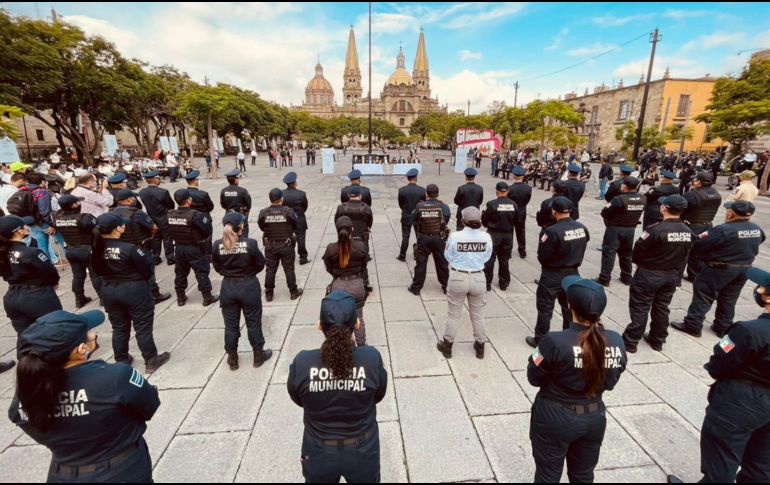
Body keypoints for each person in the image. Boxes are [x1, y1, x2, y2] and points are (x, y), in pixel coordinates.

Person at [9, 309, 161, 483]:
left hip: (62, 473)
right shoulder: (116, 377)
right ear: (81, 349)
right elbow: (149, 404)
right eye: (89, 331)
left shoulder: (29, 391)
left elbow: (22, 418)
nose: (93, 333)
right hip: (122, 471)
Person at [668, 267, 770, 484]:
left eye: (762, 287)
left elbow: (719, 364)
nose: (758, 289)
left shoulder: (749, 331)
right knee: (761, 466)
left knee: (721, 462)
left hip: (741, 402)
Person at [528, 276, 627, 483]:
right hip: (593, 416)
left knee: (548, 475)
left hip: (554, 416)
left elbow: (534, 377)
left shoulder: (555, 341)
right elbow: (612, 381)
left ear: (569, 305)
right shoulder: (616, 340)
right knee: (583, 475)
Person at [287, 291, 388, 483]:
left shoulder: (302, 362)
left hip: (317, 450)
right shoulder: (371, 358)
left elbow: (297, 397)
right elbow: (379, 394)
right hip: (363, 448)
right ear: (356, 324)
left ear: (320, 325)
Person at [672, 201, 766, 338]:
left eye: (728, 210)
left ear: (731, 213)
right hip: (744, 269)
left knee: (704, 295)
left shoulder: (722, 230)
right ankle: (723, 326)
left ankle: (693, 325)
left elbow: (699, 243)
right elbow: (760, 240)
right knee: (729, 298)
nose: (727, 212)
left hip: (718, 268)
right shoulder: (756, 229)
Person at [91, 212, 171, 371]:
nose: (124, 226)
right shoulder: (130, 249)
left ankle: (121, 359)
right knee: (142, 326)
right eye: (122, 225)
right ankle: (151, 359)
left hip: (109, 290)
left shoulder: (95, 248)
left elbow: (97, 271)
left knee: (119, 327)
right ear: (117, 229)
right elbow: (147, 270)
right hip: (133, 290)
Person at [623, 196, 693, 353]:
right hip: (671, 275)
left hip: (649, 274)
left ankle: (630, 341)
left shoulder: (654, 229)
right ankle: (658, 340)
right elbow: (686, 254)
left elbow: (638, 252)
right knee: (662, 307)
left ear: (664, 208)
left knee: (640, 307)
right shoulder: (688, 231)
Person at [212, 212, 272, 370]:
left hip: (228, 287)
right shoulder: (250, 243)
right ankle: (258, 356)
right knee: (253, 323)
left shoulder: (217, 244)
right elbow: (260, 263)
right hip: (248, 286)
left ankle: (232, 359)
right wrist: (248, 272)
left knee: (230, 326)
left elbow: (217, 266)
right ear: (241, 227)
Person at [527, 197, 589, 348]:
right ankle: (569, 337)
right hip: (573, 273)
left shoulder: (551, 231)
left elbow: (543, 257)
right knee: (569, 308)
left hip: (552, 274)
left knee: (545, 308)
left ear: (554, 211)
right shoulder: (582, 228)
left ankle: (540, 339)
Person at [437, 207, 493, 359]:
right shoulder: (486, 237)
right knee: (478, 315)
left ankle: (447, 345)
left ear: (463, 221)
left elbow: (448, 255)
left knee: (453, 314)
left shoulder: (455, 236)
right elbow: (487, 256)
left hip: (458, 276)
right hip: (478, 277)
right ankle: (480, 346)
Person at [0, 215, 62, 348]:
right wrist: (52, 285)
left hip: (12, 296)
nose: (27, 228)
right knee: (54, 331)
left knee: (25, 337)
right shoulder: (31, 252)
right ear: (19, 231)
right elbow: (50, 273)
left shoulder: (3, 252)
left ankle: (26, 365)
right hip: (37, 296)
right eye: (23, 226)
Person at [112, 190, 172, 305]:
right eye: (133, 198)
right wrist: (149, 235)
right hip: (140, 248)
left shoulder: (112, 213)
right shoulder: (137, 213)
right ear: (128, 199)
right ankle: (154, 295)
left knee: (131, 273)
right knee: (148, 272)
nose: (135, 200)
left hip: (123, 249)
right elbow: (153, 227)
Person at [323, 217, 370, 346]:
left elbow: (328, 266)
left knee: (339, 320)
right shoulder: (360, 246)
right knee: (358, 317)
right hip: (357, 286)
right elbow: (364, 265)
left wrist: (337, 274)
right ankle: (362, 346)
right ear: (352, 230)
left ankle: (345, 345)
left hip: (339, 287)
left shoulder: (331, 248)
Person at [168, 189, 218, 307]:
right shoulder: (196, 215)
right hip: (194, 248)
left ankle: (180, 297)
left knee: (180, 273)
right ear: (189, 200)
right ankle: (207, 297)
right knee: (201, 271)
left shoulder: (170, 214)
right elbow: (207, 230)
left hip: (179, 247)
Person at [54, 194, 102, 309]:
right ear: (73, 205)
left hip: (70, 250)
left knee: (78, 276)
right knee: (95, 274)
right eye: (77, 202)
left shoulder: (58, 217)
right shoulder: (84, 217)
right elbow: (98, 227)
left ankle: (79, 300)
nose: (79, 204)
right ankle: (103, 299)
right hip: (87, 249)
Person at [596, 177, 646, 287]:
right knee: (626, 254)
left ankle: (605, 278)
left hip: (615, 229)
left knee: (609, 253)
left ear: (625, 186)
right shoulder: (643, 198)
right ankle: (627, 277)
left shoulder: (619, 199)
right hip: (630, 229)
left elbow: (605, 213)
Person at [258, 188, 303, 302]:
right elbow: (296, 225)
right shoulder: (288, 211)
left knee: (270, 269)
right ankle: (293, 292)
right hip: (286, 245)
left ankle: (269, 294)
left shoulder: (264, 212)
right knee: (289, 268)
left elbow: (262, 226)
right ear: (281, 199)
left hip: (270, 245)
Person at [408, 184, 450, 296]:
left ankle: (416, 288)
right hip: (439, 238)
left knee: (421, 263)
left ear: (426, 194)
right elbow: (446, 219)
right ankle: (446, 286)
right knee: (442, 263)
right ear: (438, 193)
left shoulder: (419, 206)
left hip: (424, 238)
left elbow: (414, 220)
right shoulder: (443, 206)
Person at [681, 172, 722, 281]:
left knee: (683, 252)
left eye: (694, 180)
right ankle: (694, 276)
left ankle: (677, 276)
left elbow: (680, 206)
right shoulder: (717, 194)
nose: (693, 181)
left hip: (691, 226)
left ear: (699, 182)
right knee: (698, 252)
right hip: (708, 226)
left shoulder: (693, 194)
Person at [335, 186, 373, 291]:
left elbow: (337, 223)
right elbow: (370, 222)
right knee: (363, 262)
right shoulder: (365, 207)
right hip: (362, 238)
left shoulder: (341, 208)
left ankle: (345, 280)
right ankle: (365, 283)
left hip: (346, 238)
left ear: (348, 196)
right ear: (360, 196)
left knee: (345, 257)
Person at [482, 181, 517, 292]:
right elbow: (517, 220)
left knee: (490, 259)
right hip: (507, 234)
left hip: (493, 234)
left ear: (496, 191)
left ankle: (487, 283)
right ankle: (504, 283)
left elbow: (484, 220)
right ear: (507, 191)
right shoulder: (513, 204)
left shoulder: (492, 204)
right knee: (504, 259)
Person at [138, 171, 175, 266]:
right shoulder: (163, 192)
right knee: (167, 239)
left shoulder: (142, 192)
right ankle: (170, 258)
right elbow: (171, 205)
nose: (159, 180)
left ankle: (156, 257)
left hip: (152, 218)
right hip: (164, 218)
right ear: (155, 179)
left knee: (156, 239)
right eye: (158, 178)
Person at [396, 168, 425, 262]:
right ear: (416, 178)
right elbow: (423, 204)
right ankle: (419, 254)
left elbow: (401, 204)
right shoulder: (421, 190)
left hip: (406, 215)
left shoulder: (402, 190)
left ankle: (402, 255)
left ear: (408, 178)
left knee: (405, 237)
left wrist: (405, 210)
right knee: (419, 236)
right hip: (418, 216)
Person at [184, 170, 215, 255]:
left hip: (190, 216)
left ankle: (197, 252)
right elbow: (210, 207)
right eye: (197, 180)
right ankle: (208, 254)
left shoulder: (184, 193)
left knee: (194, 235)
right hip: (204, 216)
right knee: (208, 237)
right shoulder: (203, 194)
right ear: (195, 181)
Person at [282, 172, 310, 265]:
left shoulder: (282, 194)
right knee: (301, 238)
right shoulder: (301, 194)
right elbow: (305, 206)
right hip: (299, 217)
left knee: (287, 237)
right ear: (295, 182)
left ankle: (288, 257)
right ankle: (303, 257)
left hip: (287, 219)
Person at [508, 166, 533, 258]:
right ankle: (522, 251)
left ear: (514, 175)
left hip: (511, 212)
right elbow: (527, 200)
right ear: (523, 176)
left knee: (509, 232)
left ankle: (508, 251)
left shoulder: (510, 188)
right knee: (521, 232)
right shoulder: (528, 188)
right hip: (522, 211)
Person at [220, 169, 252, 237]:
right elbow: (248, 204)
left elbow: (223, 204)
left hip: (229, 214)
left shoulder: (223, 190)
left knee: (230, 234)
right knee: (243, 234)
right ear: (236, 180)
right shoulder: (242, 190)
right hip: (241, 215)